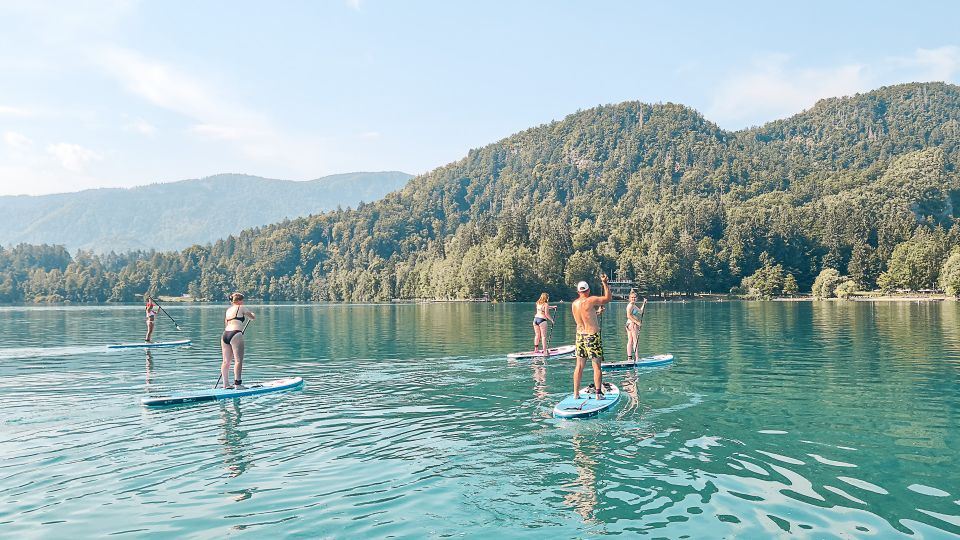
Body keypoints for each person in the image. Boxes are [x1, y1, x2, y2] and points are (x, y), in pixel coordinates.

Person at [571, 273, 611, 399]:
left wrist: (597, 313)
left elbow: (583, 318)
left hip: (580, 336)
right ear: (588, 290)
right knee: (596, 366)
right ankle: (598, 393)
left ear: (578, 291)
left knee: (579, 366)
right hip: (592, 336)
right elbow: (608, 298)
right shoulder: (591, 300)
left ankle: (576, 394)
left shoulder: (574, 304)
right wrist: (604, 283)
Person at [221, 292, 255, 389]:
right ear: (240, 301)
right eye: (242, 300)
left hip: (225, 335)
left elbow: (226, 324)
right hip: (236, 334)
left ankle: (226, 384)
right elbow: (252, 317)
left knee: (226, 361)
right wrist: (252, 314)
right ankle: (238, 384)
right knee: (238, 360)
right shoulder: (242, 307)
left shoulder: (228, 310)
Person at [624, 291, 647, 362]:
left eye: (634, 297)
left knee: (630, 340)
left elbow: (640, 312)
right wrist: (637, 322)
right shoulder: (630, 305)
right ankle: (636, 358)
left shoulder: (634, 305)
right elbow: (628, 315)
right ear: (629, 298)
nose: (633, 299)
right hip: (632, 324)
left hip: (629, 324)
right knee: (635, 341)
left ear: (636, 298)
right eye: (632, 297)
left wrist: (644, 303)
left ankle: (629, 358)